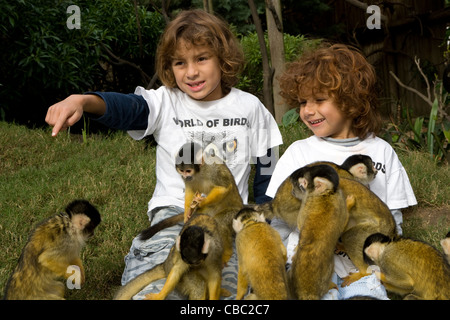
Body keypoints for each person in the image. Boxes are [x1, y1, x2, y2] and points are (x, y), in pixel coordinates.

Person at [45, 9, 282, 299]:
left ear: (223, 58)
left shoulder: (251, 107)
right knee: (155, 288)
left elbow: (268, 177)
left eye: (202, 58)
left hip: (227, 224)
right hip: (175, 217)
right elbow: (129, 109)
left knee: (229, 293)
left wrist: (266, 229)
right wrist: (84, 101)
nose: (191, 72)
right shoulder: (166, 101)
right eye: (180, 63)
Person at [265, 43, 417, 300]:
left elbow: (393, 216)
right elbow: (280, 216)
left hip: (363, 267)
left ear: (351, 102)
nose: (307, 110)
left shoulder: (380, 152)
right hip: (307, 262)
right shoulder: (299, 153)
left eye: (319, 100)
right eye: (303, 102)